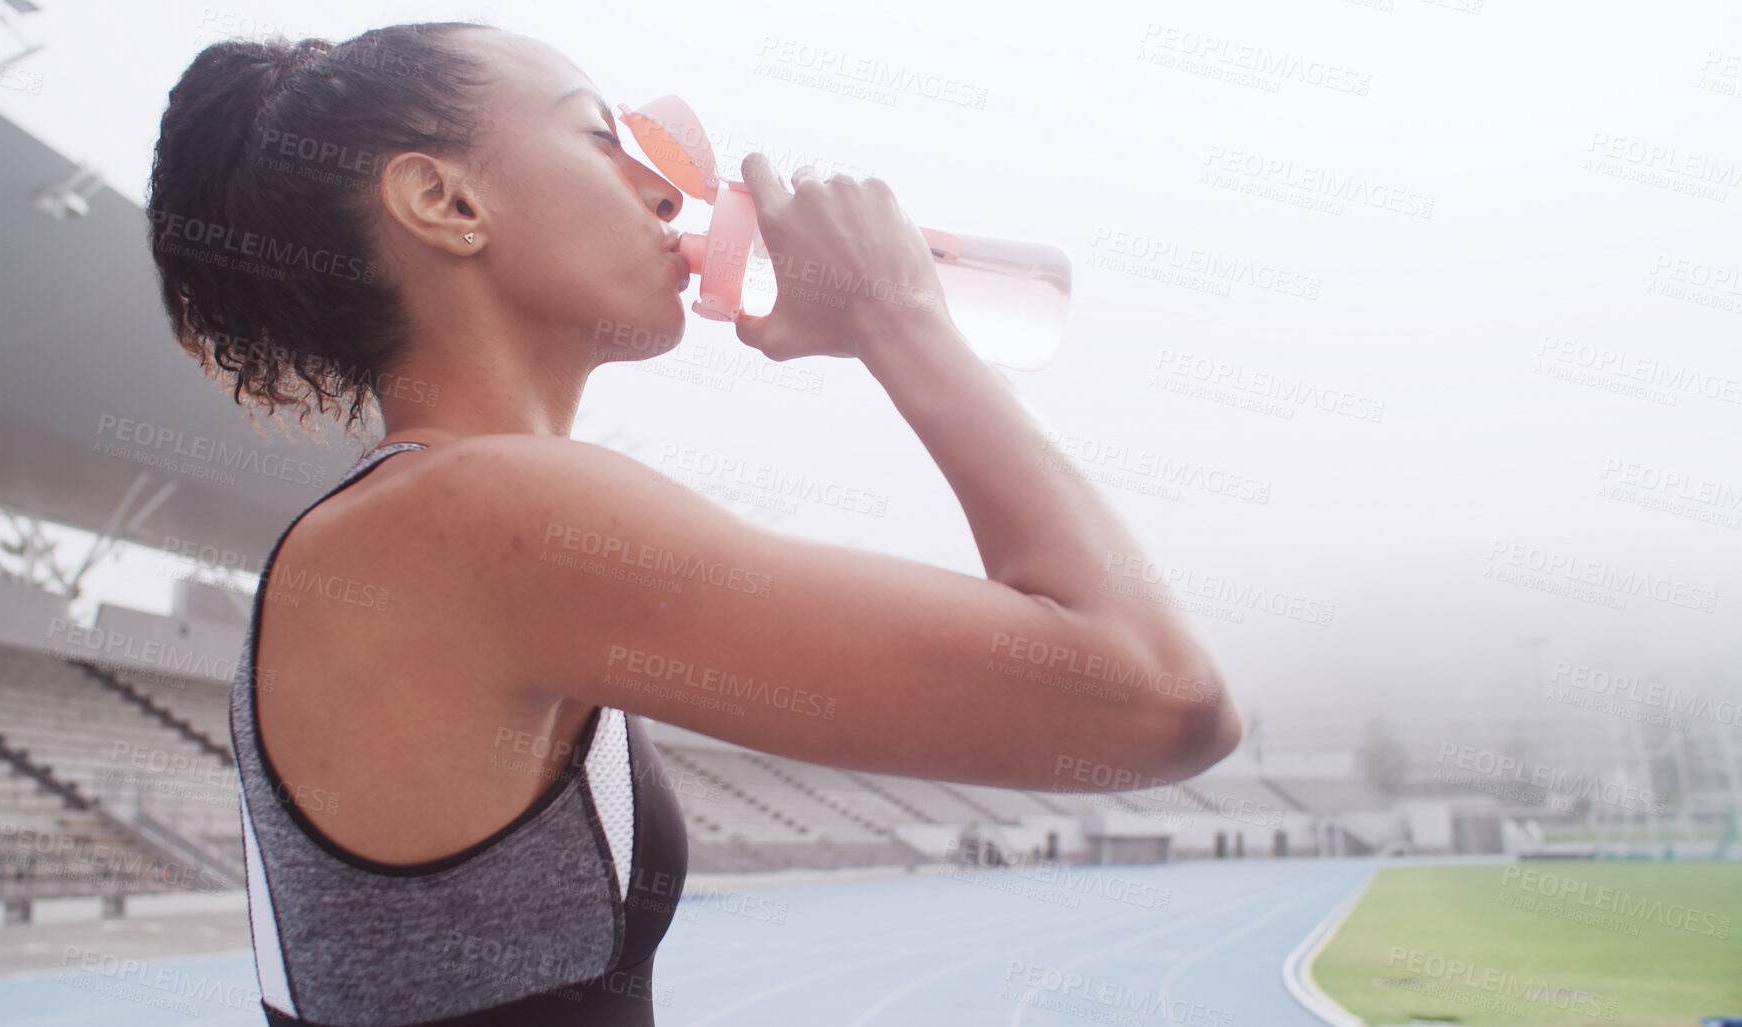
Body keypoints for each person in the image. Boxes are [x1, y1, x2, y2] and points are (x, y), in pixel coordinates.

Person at [147, 20, 1240, 1027]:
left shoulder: (443, 518)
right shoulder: (481, 518)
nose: (665, 189)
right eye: (598, 133)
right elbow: (1157, 700)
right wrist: (900, 319)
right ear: (446, 202)